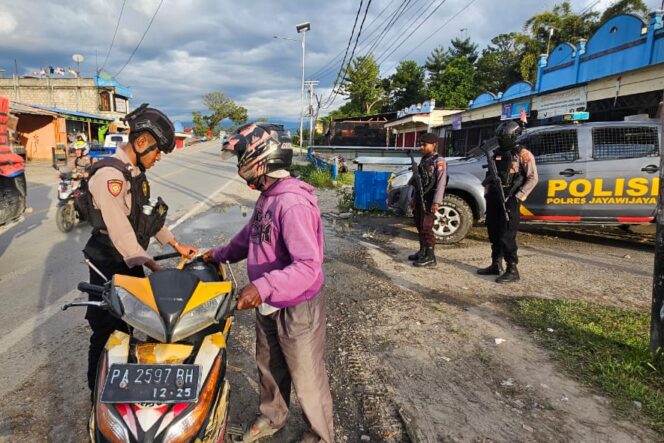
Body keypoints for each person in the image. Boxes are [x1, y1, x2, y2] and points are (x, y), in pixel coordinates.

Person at [203, 123, 334, 443]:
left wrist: (261, 287)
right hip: (269, 303)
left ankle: (320, 435)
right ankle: (274, 415)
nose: (239, 166)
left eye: (241, 158)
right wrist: (216, 255)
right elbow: (250, 237)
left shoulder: (291, 203)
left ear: (262, 158)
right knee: (269, 364)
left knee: (307, 376)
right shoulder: (268, 197)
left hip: (297, 306)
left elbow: (308, 266)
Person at [79, 104, 197, 391]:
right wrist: (152, 265)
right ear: (141, 142)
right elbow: (120, 229)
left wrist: (175, 244)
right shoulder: (111, 176)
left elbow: (145, 218)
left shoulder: (134, 174)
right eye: (157, 151)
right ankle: (97, 393)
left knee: (131, 324)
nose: (158, 158)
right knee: (109, 330)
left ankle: (122, 385)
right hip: (108, 259)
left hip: (127, 259)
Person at [477, 121, 538, 283]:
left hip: (511, 198)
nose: (501, 140)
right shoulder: (496, 153)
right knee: (493, 231)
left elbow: (533, 178)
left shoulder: (523, 154)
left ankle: (512, 268)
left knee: (507, 234)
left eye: (505, 137)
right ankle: (495, 264)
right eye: (500, 137)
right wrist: (488, 192)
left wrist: (518, 196)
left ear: (514, 137)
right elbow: (490, 175)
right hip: (495, 197)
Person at [408, 132, 447, 267]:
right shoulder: (424, 159)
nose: (422, 147)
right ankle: (422, 251)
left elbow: (441, 182)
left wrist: (437, 201)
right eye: (421, 144)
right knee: (419, 224)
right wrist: (413, 199)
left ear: (434, 145)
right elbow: (417, 182)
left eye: (425, 145)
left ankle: (430, 256)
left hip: (430, 199)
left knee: (426, 226)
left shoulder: (439, 160)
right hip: (420, 197)